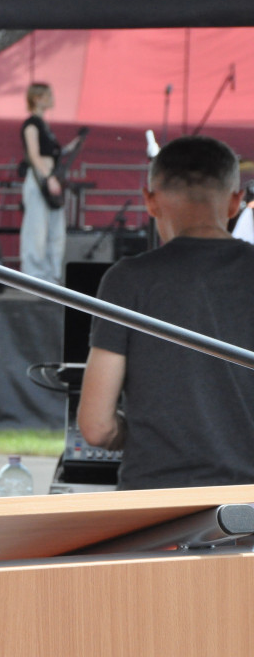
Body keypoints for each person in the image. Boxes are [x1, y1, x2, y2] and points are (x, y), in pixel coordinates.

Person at [77, 135, 254, 490]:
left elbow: (96, 427)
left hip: (155, 508)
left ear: (150, 201)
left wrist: (148, 437)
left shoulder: (127, 281)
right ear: (236, 202)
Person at [19, 82, 82, 283]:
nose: (52, 99)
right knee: (36, 229)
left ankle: (51, 274)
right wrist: (48, 178)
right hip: (40, 179)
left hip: (51, 178)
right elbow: (34, 155)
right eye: (48, 95)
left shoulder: (45, 127)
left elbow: (53, 153)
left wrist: (72, 146)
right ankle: (32, 275)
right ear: (37, 98)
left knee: (55, 230)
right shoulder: (31, 124)